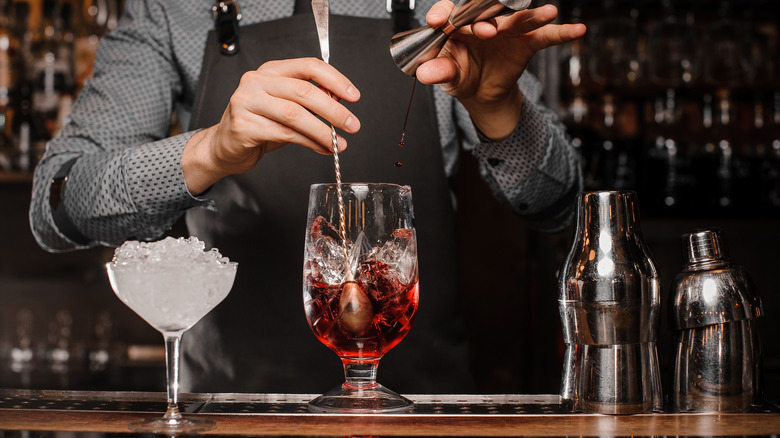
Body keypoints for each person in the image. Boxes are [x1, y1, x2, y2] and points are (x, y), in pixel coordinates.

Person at [30, 0, 585, 394]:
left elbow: (556, 203)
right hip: (232, 408)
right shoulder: (174, 9)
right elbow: (58, 207)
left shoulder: (446, 9)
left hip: (418, 408)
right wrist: (210, 150)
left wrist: (498, 108)